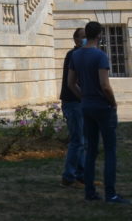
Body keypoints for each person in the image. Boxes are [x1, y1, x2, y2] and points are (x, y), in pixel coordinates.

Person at [68, 21, 130, 204]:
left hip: (86, 106)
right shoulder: (100, 55)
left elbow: (71, 84)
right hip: (102, 107)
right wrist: (113, 103)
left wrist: (84, 97)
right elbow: (105, 85)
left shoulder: (76, 55)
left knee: (91, 150)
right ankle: (110, 193)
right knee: (110, 150)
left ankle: (90, 191)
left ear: (86, 34)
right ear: (100, 35)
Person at [59, 27, 86, 187]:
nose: (85, 39)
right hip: (73, 102)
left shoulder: (81, 54)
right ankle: (69, 176)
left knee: (83, 141)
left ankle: (80, 175)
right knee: (77, 141)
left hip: (78, 102)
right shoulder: (73, 55)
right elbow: (72, 82)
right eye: (82, 37)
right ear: (75, 40)